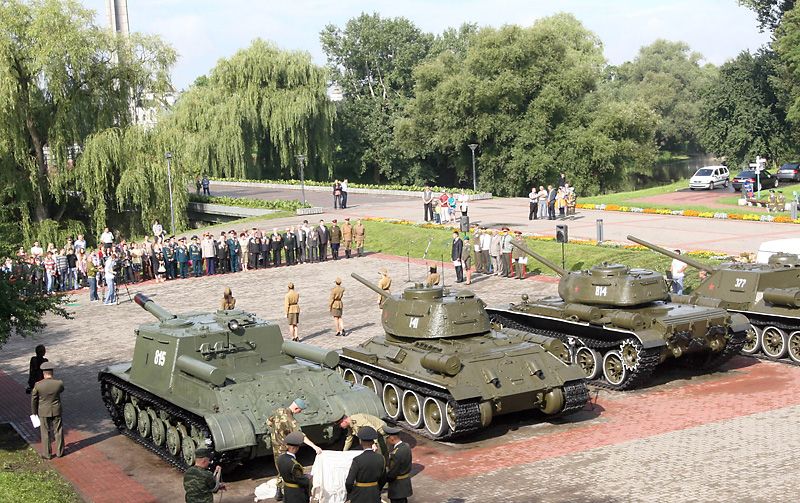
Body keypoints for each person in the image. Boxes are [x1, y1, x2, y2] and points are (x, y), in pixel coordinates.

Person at [266, 399, 322, 502]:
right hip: (285, 446)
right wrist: (315, 447)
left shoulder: (279, 410)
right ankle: (282, 493)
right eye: (299, 410)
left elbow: (269, 422)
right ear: (296, 408)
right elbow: (301, 436)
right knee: (287, 470)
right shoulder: (291, 420)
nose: (299, 412)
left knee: (280, 468)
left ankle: (279, 491)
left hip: (275, 444)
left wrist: (277, 433)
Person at [31, 362, 65, 459]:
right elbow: (61, 390)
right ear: (52, 373)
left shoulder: (38, 385)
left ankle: (47, 454)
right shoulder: (59, 383)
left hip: (44, 411)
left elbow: (34, 399)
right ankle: (60, 452)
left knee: (45, 432)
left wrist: (34, 412)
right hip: (56, 409)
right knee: (58, 430)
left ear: (43, 374)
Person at [345, 426, 386, 503]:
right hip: (374, 493)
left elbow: (349, 482)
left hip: (359, 494)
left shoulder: (357, 460)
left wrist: (352, 492)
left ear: (361, 442)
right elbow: (383, 478)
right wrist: (377, 488)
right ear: (373, 443)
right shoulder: (381, 459)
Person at [277, 431, 311, 503]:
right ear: (297, 447)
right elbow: (302, 482)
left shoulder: (280, 458)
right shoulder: (295, 465)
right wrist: (308, 478)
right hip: (297, 495)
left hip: (287, 491)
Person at [383, 425, 412, 503]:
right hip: (405, 484)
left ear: (391, 438)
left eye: (387, 438)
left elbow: (392, 474)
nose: (387, 441)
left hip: (397, 487)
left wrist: (382, 478)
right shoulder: (406, 446)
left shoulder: (395, 454)